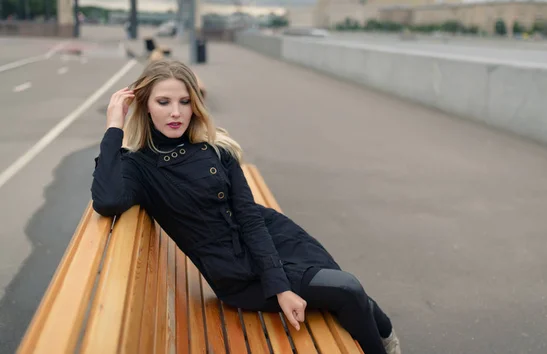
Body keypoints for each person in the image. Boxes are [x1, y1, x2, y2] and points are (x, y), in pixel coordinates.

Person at [91, 59, 401, 354]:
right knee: (346, 288)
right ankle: (383, 342)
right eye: (164, 102)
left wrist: (280, 285)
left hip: (271, 239)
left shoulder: (215, 149)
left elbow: (249, 217)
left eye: (185, 102)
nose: (176, 112)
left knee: (344, 284)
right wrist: (114, 125)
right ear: (145, 105)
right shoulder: (139, 166)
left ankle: (386, 339)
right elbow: (106, 200)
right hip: (237, 275)